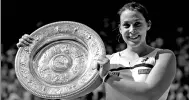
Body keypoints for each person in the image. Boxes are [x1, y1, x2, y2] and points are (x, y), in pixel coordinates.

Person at [17, 2, 176, 100]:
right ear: (120, 29)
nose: (132, 30)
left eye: (138, 24)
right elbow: (69, 92)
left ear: (148, 25)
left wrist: (107, 76)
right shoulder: (107, 60)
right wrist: (31, 48)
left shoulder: (164, 56)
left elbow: (149, 95)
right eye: (126, 25)